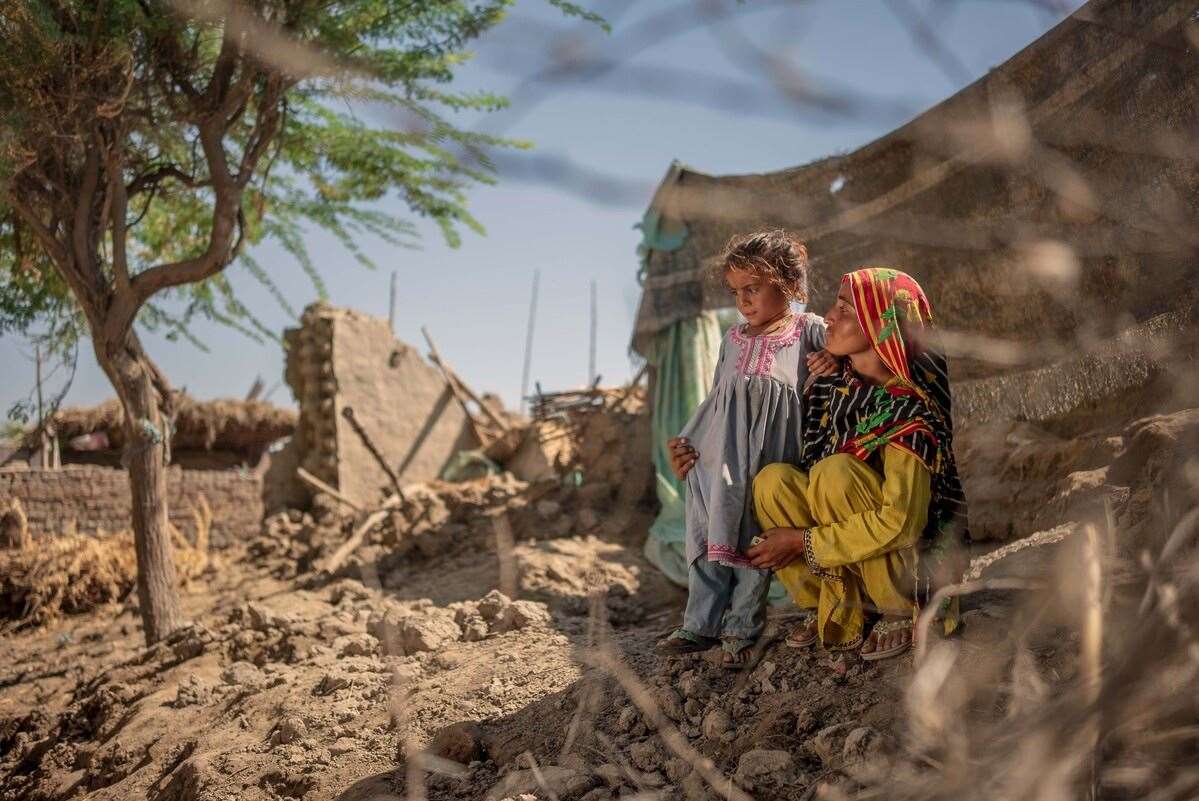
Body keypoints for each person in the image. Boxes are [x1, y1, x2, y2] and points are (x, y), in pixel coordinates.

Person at [748, 267, 968, 661]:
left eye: (845, 309)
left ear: (884, 323)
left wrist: (802, 542)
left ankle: (897, 607)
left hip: (910, 564)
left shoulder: (911, 409)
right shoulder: (831, 388)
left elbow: (903, 522)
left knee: (836, 473)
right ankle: (834, 604)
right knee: (773, 482)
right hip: (847, 553)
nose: (829, 317)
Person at [656, 229, 838, 669]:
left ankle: (741, 628)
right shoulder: (732, 339)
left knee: (755, 537)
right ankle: (699, 624)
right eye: (736, 291)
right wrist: (689, 442)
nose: (744, 301)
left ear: (789, 286)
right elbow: (718, 398)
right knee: (711, 525)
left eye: (753, 289)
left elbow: (848, 365)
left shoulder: (809, 330)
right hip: (723, 454)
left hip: (774, 456)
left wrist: (832, 362)